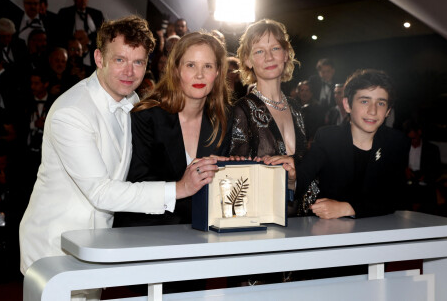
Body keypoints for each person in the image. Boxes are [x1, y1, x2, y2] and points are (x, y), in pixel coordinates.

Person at [19, 16, 218, 300]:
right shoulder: (71, 112)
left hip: (95, 248)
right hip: (55, 250)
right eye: (120, 60)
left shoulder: (133, 102)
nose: (129, 71)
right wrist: (178, 188)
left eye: (138, 62)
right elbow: (100, 192)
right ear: (99, 58)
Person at [113, 31, 232, 228]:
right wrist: (184, 186)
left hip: (203, 233)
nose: (200, 74)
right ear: (176, 70)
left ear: (218, 72)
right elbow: (135, 186)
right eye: (191, 65)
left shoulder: (223, 118)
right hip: (148, 233)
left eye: (208, 66)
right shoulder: (146, 117)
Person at [268, 69, 409, 219]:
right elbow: (302, 178)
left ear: (388, 111)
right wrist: (292, 179)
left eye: (381, 103)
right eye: (364, 101)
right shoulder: (329, 138)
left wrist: (349, 208)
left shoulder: (396, 142)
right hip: (331, 231)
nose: (372, 111)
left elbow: (397, 198)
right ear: (347, 104)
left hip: (382, 231)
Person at [229, 19, 307, 163]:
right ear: (248, 60)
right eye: (259, 51)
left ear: (286, 54)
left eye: (275, 48)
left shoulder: (296, 107)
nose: (269, 57)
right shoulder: (242, 111)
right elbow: (238, 176)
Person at [402, 119, 441, 213]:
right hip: (407, 190)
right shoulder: (401, 148)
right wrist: (404, 171)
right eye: (409, 139)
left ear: (419, 132)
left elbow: (438, 171)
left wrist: (426, 176)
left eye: (414, 138)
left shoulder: (432, 149)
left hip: (426, 190)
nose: (412, 142)